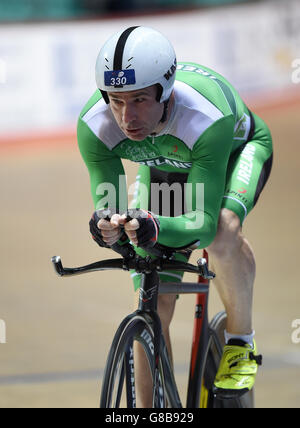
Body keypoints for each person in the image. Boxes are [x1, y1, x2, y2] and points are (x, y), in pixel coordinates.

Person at [77, 26, 273, 405]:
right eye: (115, 100)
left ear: (165, 91)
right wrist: (106, 226)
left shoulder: (203, 115)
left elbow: (200, 223)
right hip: (165, 166)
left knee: (221, 231)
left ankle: (240, 343)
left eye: (138, 100)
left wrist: (155, 225)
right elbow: (111, 206)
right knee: (153, 298)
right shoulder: (94, 125)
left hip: (232, 154)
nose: (126, 116)